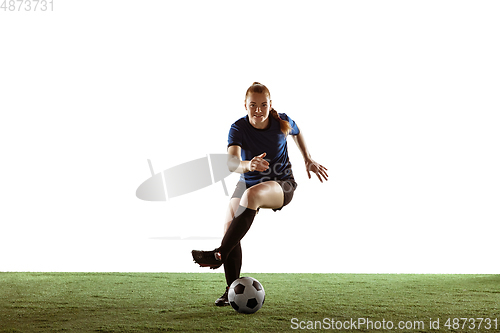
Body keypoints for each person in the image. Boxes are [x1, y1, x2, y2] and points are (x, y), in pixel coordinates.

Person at [192, 82, 328, 306]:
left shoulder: (281, 121)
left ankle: (218, 255)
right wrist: (249, 164)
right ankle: (231, 290)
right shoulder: (238, 128)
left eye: (263, 105)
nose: (258, 110)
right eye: (253, 105)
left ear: (270, 105)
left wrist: (308, 158)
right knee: (230, 225)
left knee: (252, 196)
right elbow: (232, 162)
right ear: (245, 105)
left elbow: (298, 131)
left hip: (281, 184)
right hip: (248, 180)